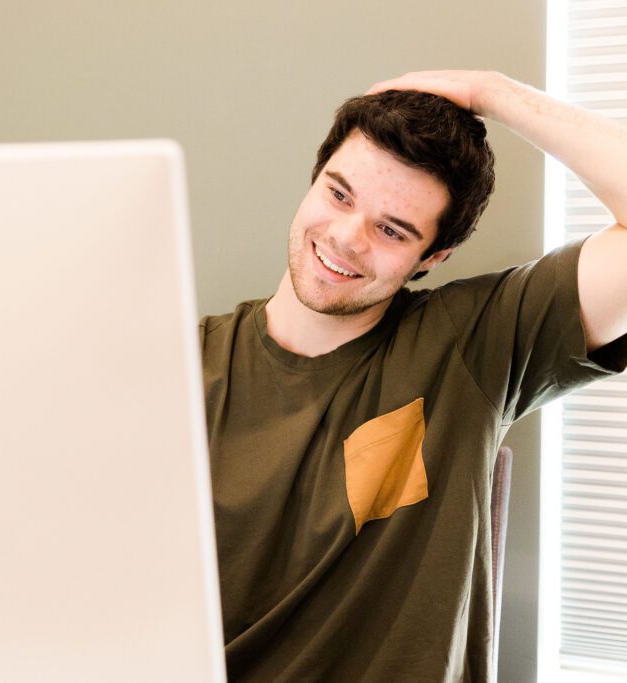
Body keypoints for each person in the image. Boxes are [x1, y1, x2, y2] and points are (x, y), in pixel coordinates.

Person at [199, 70, 627, 682]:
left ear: (432, 258)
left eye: (391, 229)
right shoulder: (182, 366)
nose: (346, 238)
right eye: (339, 194)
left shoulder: (474, 345)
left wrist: (491, 93)